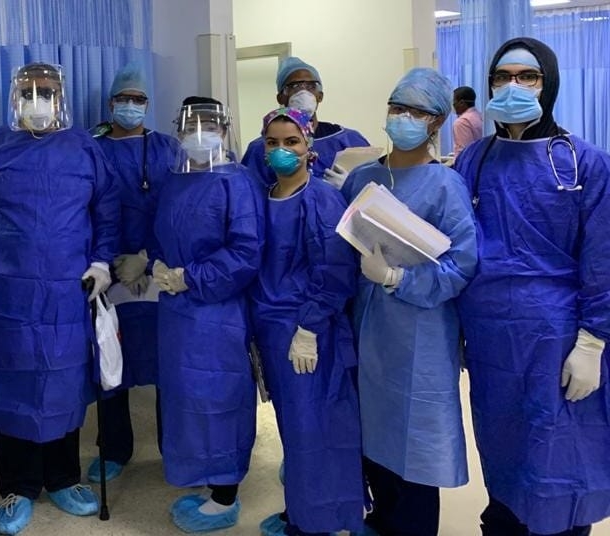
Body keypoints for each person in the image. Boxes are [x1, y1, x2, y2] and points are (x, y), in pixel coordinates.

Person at [453, 37, 610, 536]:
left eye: (528, 77)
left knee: (558, 453)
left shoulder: (585, 163)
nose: (513, 86)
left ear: (549, 83)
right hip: (490, 338)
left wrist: (593, 342)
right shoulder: (474, 160)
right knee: (503, 446)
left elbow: (603, 259)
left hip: (556, 337)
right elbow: (457, 245)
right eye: (502, 77)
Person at [0, 62, 119, 535]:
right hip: (6, 294)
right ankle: (17, 486)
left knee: (63, 383)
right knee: (12, 384)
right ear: (14, 97)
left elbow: (107, 210)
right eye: (28, 91)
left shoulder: (84, 149)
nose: (38, 99)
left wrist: (102, 262)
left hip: (66, 291)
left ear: (60, 97)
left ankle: (64, 477)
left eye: (46, 91)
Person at [340, 68, 477, 536]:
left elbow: (462, 265)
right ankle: (379, 520)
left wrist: (398, 278)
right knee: (373, 434)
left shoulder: (445, 186)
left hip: (422, 334)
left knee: (415, 447)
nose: (403, 118)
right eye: (397, 107)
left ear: (436, 121)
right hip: (367, 328)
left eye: (416, 111)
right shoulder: (363, 178)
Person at [151, 96, 263, 533]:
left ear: (224, 130)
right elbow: (163, 234)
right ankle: (204, 476)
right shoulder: (173, 181)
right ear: (179, 132)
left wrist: (192, 277)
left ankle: (225, 494)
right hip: (176, 316)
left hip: (219, 313)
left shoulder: (238, 182)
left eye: (209, 124)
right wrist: (157, 264)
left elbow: (246, 252)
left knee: (220, 397)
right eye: (191, 125)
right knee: (185, 398)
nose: (200, 133)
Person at [249, 107, 363, 536]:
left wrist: (310, 328)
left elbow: (336, 271)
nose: (281, 150)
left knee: (316, 427)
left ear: (308, 146)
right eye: (273, 142)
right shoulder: (262, 197)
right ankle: (303, 510)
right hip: (272, 330)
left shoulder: (321, 200)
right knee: (294, 430)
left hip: (308, 333)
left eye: (291, 142)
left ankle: (319, 522)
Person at [86, 62, 179, 483]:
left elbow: (178, 210)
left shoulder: (168, 148)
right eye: (123, 99)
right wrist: (109, 263)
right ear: (111, 104)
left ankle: (173, 448)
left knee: (166, 366)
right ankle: (114, 449)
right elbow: (87, 212)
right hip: (110, 273)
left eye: (138, 99)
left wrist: (148, 257)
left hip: (158, 270)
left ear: (148, 104)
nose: (130, 105)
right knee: (112, 362)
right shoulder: (92, 149)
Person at [240, 56, 371, 189]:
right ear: (280, 97)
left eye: (311, 86)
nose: (303, 92)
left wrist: (352, 186)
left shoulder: (348, 140)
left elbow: (373, 189)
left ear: (320, 96)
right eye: (294, 86)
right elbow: (248, 194)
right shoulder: (260, 149)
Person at [451, 86, 483, 157]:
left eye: (454, 102)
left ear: (461, 103)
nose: (453, 105)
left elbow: (464, 153)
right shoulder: (480, 116)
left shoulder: (462, 122)